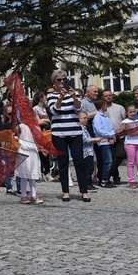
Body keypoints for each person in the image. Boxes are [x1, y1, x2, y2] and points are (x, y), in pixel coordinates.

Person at [47, 69, 90, 202]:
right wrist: (60, 96)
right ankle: (65, 191)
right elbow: (54, 111)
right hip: (59, 132)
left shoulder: (74, 93)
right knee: (63, 162)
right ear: (54, 82)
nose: (62, 82)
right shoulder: (51, 95)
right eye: (59, 80)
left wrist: (74, 97)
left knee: (79, 161)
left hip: (74, 132)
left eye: (64, 79)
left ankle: (84, 191)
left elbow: (78, 109)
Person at [14, 122, 43, 204]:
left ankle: (33, 195)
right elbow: (15, 133)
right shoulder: (20, 126)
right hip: (23, 150)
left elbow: (39, 137)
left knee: (33, 174)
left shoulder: (36, 125)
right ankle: (23, 195)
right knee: (24, 174)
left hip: (33, 150)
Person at [92, 99, 117, 189]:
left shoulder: (105, 117)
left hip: (108, 141)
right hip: (103, 142)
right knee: (107, 161)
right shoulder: (98, 117)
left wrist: (113, 134)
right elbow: (99, 130)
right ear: (103, 106)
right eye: (105, 105)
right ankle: (104, 180)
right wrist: (110, 134)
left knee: (109, 161)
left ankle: (106, 178)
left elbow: (110, 127)